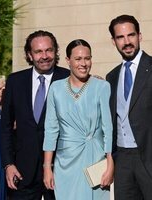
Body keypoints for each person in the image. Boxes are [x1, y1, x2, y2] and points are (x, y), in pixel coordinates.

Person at [0, 30, 70, 200]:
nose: (44, 56)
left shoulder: (69, 79)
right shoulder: (15, 81)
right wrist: (8, 164)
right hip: (22, 171)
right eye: (38, 51)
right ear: (29, 55)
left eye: (49, 50)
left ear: (55, 51)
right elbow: (5, 128)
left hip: (60, 168)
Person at [43, 39, 114, 200]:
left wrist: (110, 165)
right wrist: (47, 167)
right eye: (78, 59)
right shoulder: (56, 88)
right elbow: (51, 130)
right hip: (65, 163)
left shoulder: (102, 87)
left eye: (87, 58)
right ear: (68, 61)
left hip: (95, 162)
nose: (83, 63)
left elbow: (108, 129)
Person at [106, 14, 152, 200]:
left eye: (131, 35)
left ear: (139, 36)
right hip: (123, 159)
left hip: (149, 157)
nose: (127, 42)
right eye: (120, 37)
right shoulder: (112, 77)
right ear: (113, 41)